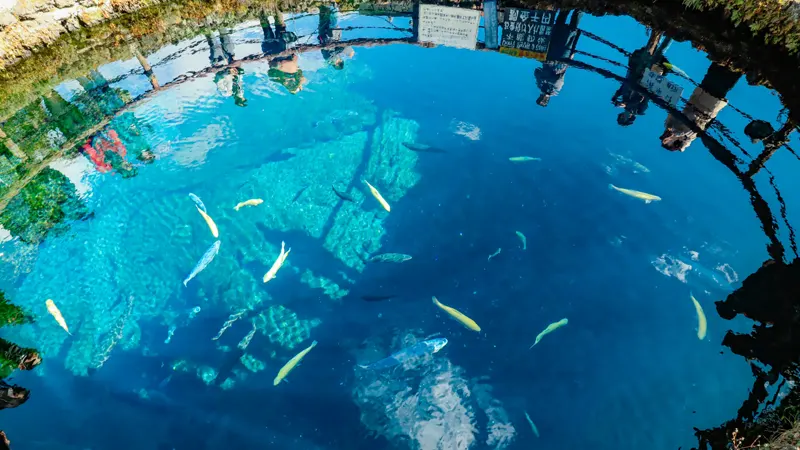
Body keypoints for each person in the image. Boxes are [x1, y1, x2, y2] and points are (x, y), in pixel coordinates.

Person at [660, 62, 742, 151]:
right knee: (726, 79)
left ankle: (725, 59)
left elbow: (672, 112)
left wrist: (668, 128)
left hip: (699, 95)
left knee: (715, 70)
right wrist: (674, 135)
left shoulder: (670, 126)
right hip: (709, 103)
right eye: (667, 141)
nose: (666, 138)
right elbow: (690, 128)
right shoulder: (688, 137)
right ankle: (740, 64)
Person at [611, 30, 671, 126]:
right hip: (648, 78)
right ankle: (670, 35)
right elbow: (642, 97)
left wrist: (615, 96)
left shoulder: (625, 98)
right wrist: (626, 104)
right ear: (630, 118)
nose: (623, 115)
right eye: (624, 118)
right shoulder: (639, 110)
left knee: (649, 50)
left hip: (637, 72)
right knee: (658, 54)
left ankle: (658, 32)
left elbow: (624, 86)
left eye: (621, 116)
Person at [534, 10, 582, 107]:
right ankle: (579, 11)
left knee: (557, 30)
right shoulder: (555, 90)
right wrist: (545, 79)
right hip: (562, 59)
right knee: (570, 34)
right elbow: (558, 79)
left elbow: (536, 71)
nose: (543, 98)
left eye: (540, 99)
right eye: (544, 100)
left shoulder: (540, 85)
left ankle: (564, 9)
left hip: (549, 56)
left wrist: (543, 78)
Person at [318, 5, 355, 70]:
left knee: (333, 17)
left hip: (330, 32)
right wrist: (349, 51)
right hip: (326, 32)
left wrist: (349, 51)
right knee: (324, 17)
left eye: (339, 61)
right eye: (341, 60)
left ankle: (332, 5)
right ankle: (326, 5)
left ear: (336, 64)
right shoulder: (331, 58)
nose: (339, 58)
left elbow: (339, 49)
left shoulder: (328, 58)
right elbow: (339, 48)